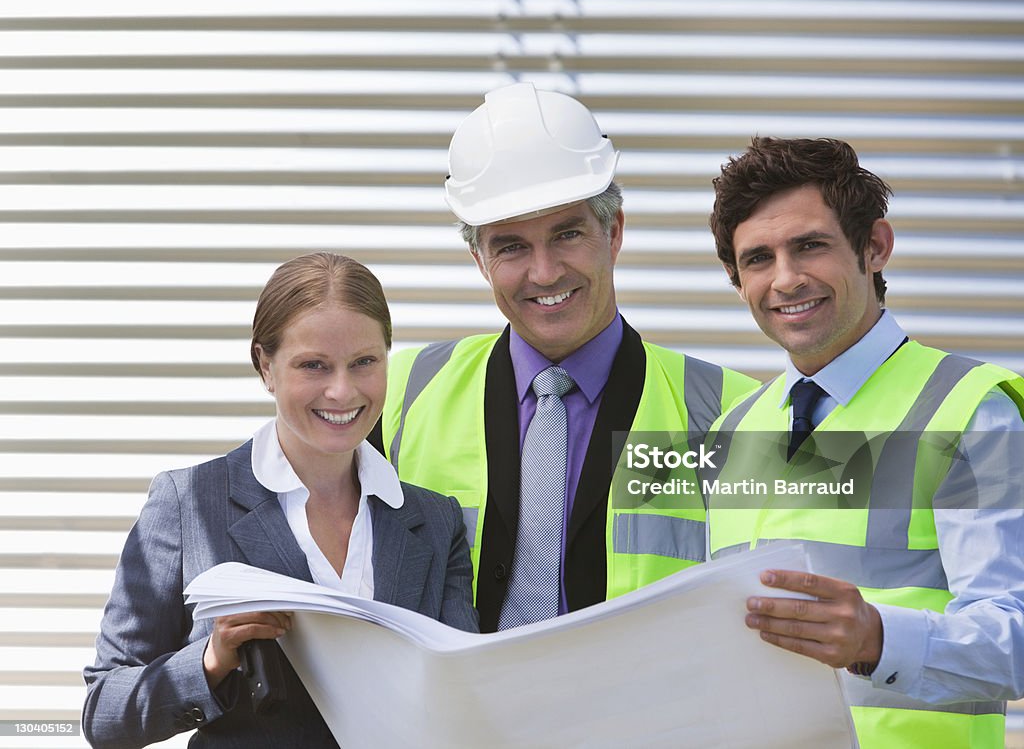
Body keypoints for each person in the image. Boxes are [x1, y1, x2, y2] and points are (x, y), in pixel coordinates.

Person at [369, 82, 758, 632]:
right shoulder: (400, 393)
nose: (545, 272)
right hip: (458, 715)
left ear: (613, 231)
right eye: (511, 246)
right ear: (480, 260)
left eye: (567, 234)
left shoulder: (730, 411)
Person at [83, 252, 477, 749]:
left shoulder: (436, 520)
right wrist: (213, 658)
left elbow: (460, 696)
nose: (342, 390)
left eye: (364, 363)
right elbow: (104, 712)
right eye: (314, 365)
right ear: (265, 366)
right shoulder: (188, 502)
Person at [706, 136, 1024, 748]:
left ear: (874, 247)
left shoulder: (970, 410)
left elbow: (1015, 638)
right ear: (735, 278)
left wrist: (879, 638)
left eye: (810, 246)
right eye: (758, 259)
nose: (786, 279)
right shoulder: (733, 428)